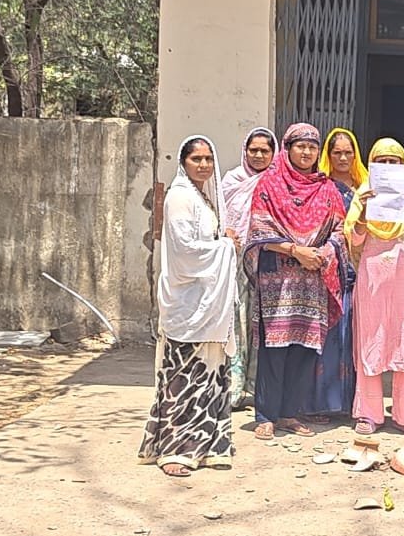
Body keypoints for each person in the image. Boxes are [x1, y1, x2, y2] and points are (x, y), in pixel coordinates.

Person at [139, 136, 239, 477]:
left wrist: (222, 243)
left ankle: (208, 445)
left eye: (208, 158)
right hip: (188, 304)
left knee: (209, 373)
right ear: (183, 162)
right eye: (196, 158)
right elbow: (185, 252)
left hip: (208, 303)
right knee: (183, 376)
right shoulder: (180, 197)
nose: (204, 165)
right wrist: (226, 246)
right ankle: (174, 450)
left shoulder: (202, 197)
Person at [245, 123, 346, 439]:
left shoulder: (327, 188)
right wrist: (295, 250)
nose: (306, 152)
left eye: (312, 147)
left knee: (304, 349)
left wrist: (324, 252)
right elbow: (259, 229)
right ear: (287, 149)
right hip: (278, 281)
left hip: (312, 279)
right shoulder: (269, 184)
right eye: (300, 146)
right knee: (274, 349)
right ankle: (265, 415)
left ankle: (289, 414)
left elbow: (340, 231)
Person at [344, 138, 404, 436]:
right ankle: (369, 414)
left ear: (403, 165)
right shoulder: (363, 193)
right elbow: (355, 239)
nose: (387, 166)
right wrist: (364, 211)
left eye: (393, 162)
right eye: (381, 162)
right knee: (371, 340)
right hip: (372, 276)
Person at [304, 127, 369, 418]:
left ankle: (350, 404)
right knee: (327, 336)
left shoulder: (366, 188)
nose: (343, 158)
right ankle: (321, 404)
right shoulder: (319, 188)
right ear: (328, 156)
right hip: (328, 271)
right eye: (337, 153)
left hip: (360, 270)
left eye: (348, 152)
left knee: (353, 336)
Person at [219, 126, 277, 409]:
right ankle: (235, 387)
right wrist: (227, 234)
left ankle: (258, 388)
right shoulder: (231, 181)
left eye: (265, 150)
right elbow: (220, 216)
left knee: (265, 325)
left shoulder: (279, 181)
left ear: (274, 153)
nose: (258, 155)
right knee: (237, 321)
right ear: (245, 151)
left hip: (270, 261)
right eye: (253, 150)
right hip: (237, 261)